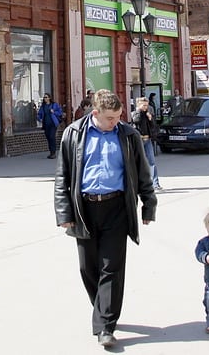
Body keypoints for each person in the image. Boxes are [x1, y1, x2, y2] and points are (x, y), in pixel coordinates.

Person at [54, 89, 157, 349]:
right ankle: (102, 307)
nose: (115, 122)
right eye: (110, 118)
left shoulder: (128, 135)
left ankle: (105, 325)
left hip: (117, 207)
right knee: (87, 267)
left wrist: (149, 206)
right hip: (84, 209)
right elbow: (62, 176)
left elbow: (142, 173)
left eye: (119, 117)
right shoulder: (74, 134)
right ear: (96, 113)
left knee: (112, 267)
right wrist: (64, 212)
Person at [132, 97, 162, 191]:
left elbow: (153, 126)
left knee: (152, 162)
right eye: (144, 105)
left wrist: (150, 119)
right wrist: (139, 111)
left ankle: (155, 184)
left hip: (147, 139)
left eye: (147, 105)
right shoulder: (135, 113)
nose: (146, 107)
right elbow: (136, 120)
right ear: (138, 105)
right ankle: (139, 184)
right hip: (139, 140)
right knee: (139, 162)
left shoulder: (147, 114)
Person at [37, 93, 63, 159]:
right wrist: (39, 118)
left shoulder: (54, 105)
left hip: (53, 123)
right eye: (44, 97)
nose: (45, 99)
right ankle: (51, 152)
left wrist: (54, 112)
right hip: (46, 124)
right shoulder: (43, 106)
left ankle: (53, 153)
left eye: (46, 97)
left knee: (52, 137)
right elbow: (39, 114)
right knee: (48, 137)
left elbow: (60, 112)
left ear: (49, 98)